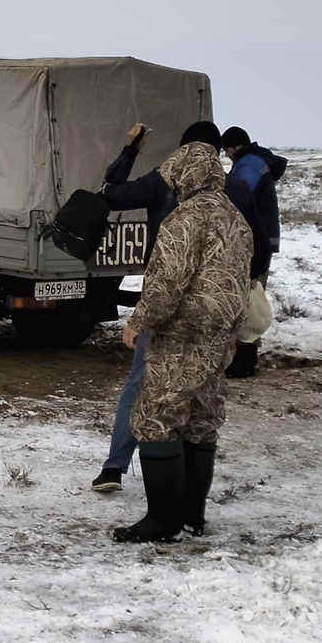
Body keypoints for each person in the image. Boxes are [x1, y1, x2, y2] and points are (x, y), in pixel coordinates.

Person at [113, 137, 252, 543]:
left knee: (155, 418)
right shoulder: (234, 217)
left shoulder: (184, 219)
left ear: (181, 174)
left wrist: (139, 321)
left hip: (182, 334)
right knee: (200, 421)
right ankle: (193, 514)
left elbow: (167, 283)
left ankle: (163, 520)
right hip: (221, 336)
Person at [91, 119, 224, 492]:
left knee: (141, 385)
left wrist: (130, 148)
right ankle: (189, 490)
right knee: (199, 393)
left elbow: (110, 192)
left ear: (182, 150)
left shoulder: (162, 181)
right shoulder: (231, 193)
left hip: (164, 300)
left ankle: (114, 468)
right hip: (213, 308)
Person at [218, 126, 287, 379]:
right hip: (261, 239)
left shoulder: (248, 164)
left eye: (227, 149)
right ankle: (244, 358)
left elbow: (235, 195)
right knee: (249, 297)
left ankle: (245, 361)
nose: (226, 155)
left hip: (252, 242)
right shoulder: (256, 160)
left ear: (237, 146)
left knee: (246, 300)